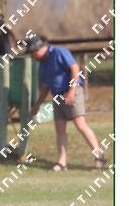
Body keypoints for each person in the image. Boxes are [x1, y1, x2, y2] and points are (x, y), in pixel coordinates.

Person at [26, 36, 105, 170]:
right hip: (57, 97)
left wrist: (71, 91)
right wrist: (37, 105)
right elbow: (45, 86)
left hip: (73, 92)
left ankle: (99, 156)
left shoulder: (59, 52)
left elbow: (75, 68)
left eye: (33, 53)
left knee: (80, 125)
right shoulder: (42, 63)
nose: (32, 56)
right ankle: (62, 163)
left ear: (40, 48)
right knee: (60, 130)